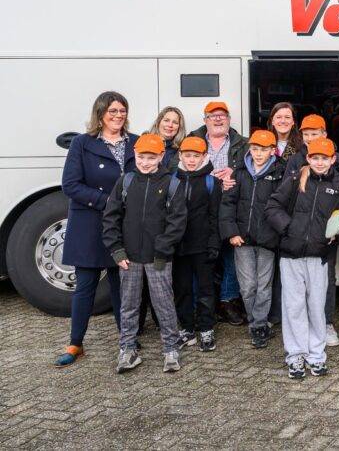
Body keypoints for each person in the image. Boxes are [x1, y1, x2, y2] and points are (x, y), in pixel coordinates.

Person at [265, 137, 339, 379]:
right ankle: (295, 355)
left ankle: (316, 355)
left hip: (319, 256)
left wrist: (336, 237)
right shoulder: (296, 179)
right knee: (294, 306)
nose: (319, 162)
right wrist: (288, 229)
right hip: (291, 254)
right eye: (315, 158)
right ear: (308, 158)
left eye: (324, 158)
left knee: (316, 307)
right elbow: (272, 207)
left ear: (332, 159)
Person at [56, 91, 136, 368]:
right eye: (112, 111)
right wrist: (109, 202)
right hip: (89, 224)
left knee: (121, 286)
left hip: (122, 225)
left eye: (122, 111)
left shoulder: (135, 142)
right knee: (85, 286)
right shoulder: (82, 143)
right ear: (100, 114)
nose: (118, 115)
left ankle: (127, 339)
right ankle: (75, 343)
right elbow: (71, 185)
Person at [101, 133, 188, 374]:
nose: (145, 162)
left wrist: (162, 249)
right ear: (134, 155)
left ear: (161, 156)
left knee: (164, 304)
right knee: (129, 305)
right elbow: (110, 218)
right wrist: (117, 250)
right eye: (141, 157)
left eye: (151, 157)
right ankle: (127, 349)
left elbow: (177, 223)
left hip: (158, 258)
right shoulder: (126, 182)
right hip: (128, 258)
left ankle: (170, 349)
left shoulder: (172, 184)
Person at [219, 129, 285, 349]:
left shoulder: (280, 173)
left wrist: (276, 233)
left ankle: (258, 325)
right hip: (242, 239)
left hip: (267, 240)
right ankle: (256, 320)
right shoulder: (239, 173)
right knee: (248, 286)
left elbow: (283, 206)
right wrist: (231, 232)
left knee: (264, 286)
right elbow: (228, 204)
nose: (258, 154)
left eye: (263, 150)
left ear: (272, 151)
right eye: (255, 149)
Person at [285, 114, 339, 345]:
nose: (310, 138)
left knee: (325, 280)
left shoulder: (336, 159)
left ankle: (326, 323)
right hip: (298, 234)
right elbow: (284, 197)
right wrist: (289, 228)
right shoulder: (294, 160)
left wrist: (336, 233)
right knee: (299, 285)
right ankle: (302, 328)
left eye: (315, 133)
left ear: (324, 134)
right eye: (306, 134)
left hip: (324, 234)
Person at [189, 101, 246, 326]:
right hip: (202, 208)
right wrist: (207, 176)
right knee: (202, 256)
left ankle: (227, 301)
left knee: (231, 256)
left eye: (222, 115)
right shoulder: (192, 139)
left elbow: (254, 166)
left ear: (229, 119)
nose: (218, 119)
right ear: (205, 120)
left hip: (232, 206)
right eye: (213, 116)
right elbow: (177, 166)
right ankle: (203, 305)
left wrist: (235, 171)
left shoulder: (243, 143)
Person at [171, 136, 222, 353]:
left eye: (196, 156)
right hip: (178, 247)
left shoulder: (212, 182)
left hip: (203, 246)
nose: (191, 160)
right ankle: (187, 329)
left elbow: (215, 216)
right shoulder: (172, 180)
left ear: (204, 157)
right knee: (182, 289)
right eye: (187, 155)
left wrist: (214, 243)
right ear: (180, 155)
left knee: (205, 290)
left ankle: (206, 328)